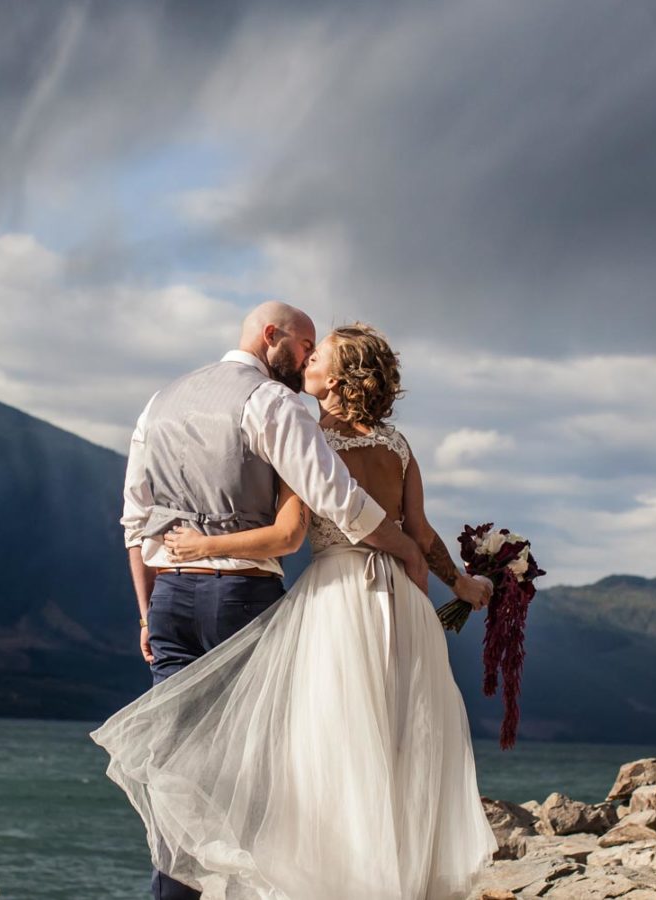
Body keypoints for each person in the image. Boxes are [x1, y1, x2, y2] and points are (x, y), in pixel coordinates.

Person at [95, 321, 497, 899]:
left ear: (334, 378)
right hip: (403, 601)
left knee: (328, 751)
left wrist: (201, 545)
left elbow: (289, 530)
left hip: (338, 602)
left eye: (316, 356)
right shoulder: (399, 446)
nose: (305, 361)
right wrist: (459, 582)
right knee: (403, 744)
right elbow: (421, 532)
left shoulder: (308, 437)